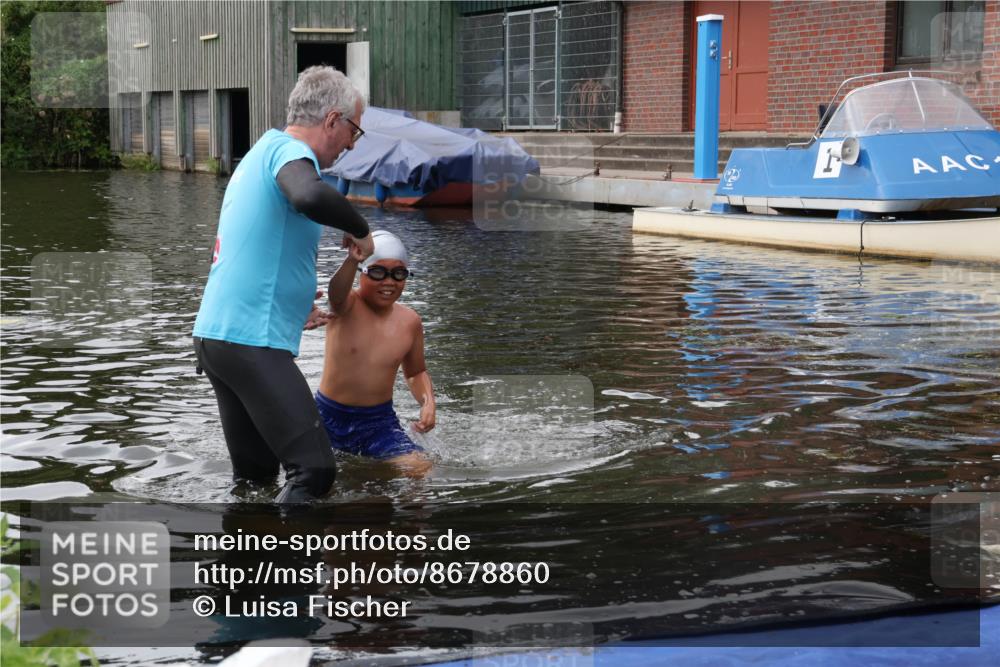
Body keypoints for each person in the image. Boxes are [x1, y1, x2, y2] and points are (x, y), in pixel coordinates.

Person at [192, 66, 375, 503]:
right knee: (314, 471)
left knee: (256, 478)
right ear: (332, 120)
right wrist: (361, 228)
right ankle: (291, 568)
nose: (352, 143)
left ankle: (249, 567)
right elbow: (309, 196)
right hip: (248, 342)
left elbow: (251, 250)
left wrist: (291, 305)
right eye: (354, 131)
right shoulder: (289, 152)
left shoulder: (262, 152)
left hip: (221, 338)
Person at [316, 230, 435, 476]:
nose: (389, 282)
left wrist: (428, 402)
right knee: (313, 476)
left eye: (398, 274)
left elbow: (416, 371)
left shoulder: (410, 321)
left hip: (377, 423)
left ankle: (410, 514)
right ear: (362, 273)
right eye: (378, 273)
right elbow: (335, 293)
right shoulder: (346, 306)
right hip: (326, 416)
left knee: (419, 468)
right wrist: (352, 259)